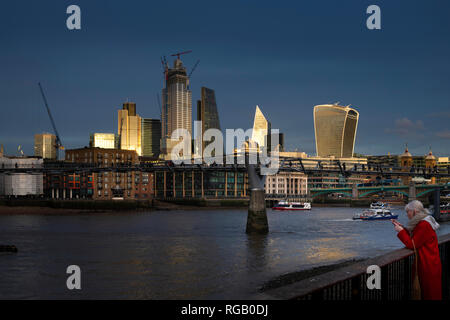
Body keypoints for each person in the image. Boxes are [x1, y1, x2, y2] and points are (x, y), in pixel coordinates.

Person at [391, 200, 442, 300]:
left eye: (408, 212)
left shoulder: (424, 224)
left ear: (415, 211)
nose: (407, 215)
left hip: (427, 265)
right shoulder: (424, 222)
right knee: (431, 292)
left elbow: (412, 244)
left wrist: (401, 232)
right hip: (430, 263)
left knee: (429, 293)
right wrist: (403, 228)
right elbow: (417, 237)